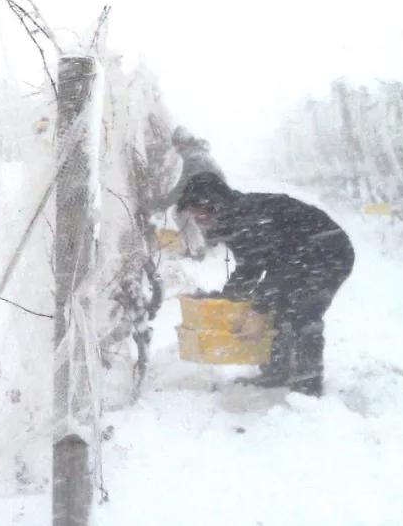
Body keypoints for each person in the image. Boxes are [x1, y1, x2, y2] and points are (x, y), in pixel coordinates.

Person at [176, 172, 355, 396]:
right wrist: (229, 298)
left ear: (213, 203)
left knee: (303, 313)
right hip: (300, 257)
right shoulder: (231, 221)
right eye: (193, 213)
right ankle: (277, 372)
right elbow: (250, 266)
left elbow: (283, 270)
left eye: (198, 211)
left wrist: (257, 309)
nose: (196, 218)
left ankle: (308, 385)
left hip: (329, 254)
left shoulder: (250, 219)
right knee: (278, 309)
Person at [150, 126, 226, 258]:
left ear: (183, 144)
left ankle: (197, 250)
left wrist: (163, 204)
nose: (177, 151)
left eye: (178, 147)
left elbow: (181, 187)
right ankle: (209, 239)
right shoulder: (201, 154)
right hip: (217, 198)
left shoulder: (193, 159)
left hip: (212, 199)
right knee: (189, 210)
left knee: (181, 212)